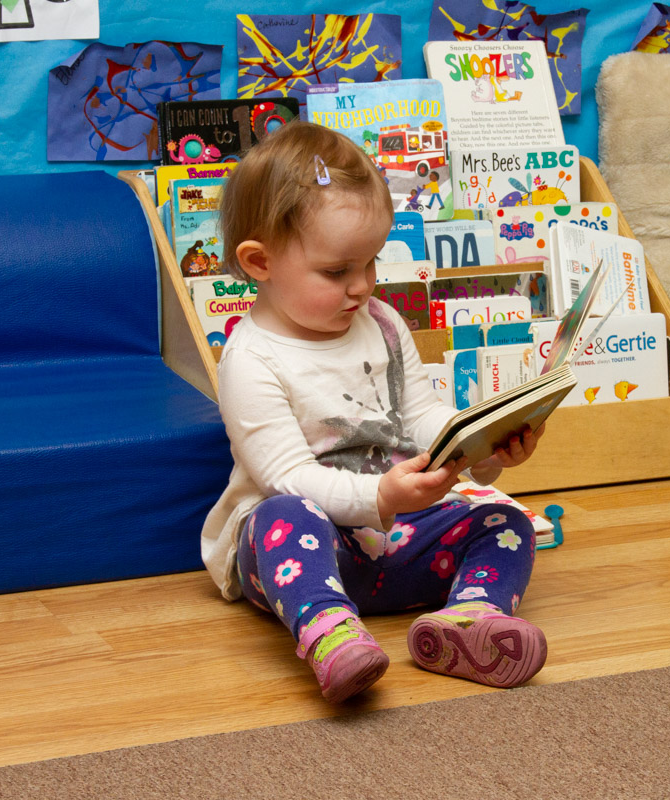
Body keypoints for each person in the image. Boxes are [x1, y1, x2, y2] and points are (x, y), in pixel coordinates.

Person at [201, 120, 546, 704]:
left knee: (504, 523)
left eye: (371, 262)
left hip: (393, 534)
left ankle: (469, 621)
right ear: (260, 263)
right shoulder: (251, 357)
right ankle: (329, 631)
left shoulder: (381, 322)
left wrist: (480, 446)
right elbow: (286, 474)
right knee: (283, 514)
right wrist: (379, 499)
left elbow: (421, 413)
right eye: (337, 271)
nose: (362, 286)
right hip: (305, 553)